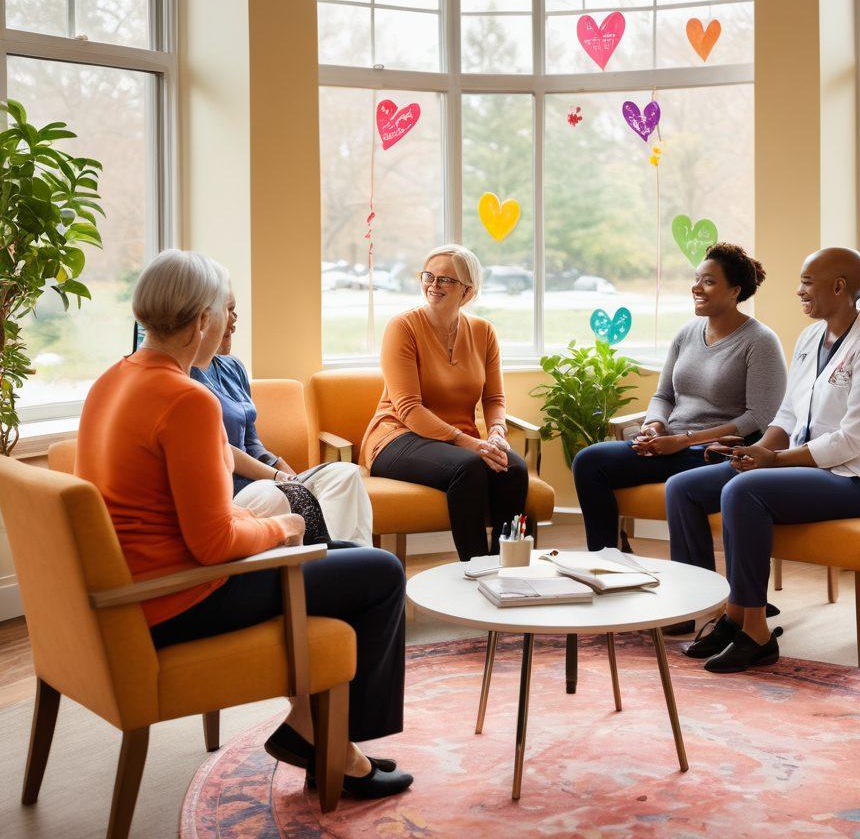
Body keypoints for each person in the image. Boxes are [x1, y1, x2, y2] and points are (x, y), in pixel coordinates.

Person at [75, 249, 411, 798]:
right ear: (202, 320)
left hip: (139, 589)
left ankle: (312, 725)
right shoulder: (187, 400)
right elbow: (213, 544)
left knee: (350, 552)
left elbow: (182, 512)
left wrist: (260, 521)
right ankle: (332, 743)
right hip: (181, 598)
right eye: (223, 313)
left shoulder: (114, 379)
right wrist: (280, 530)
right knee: (381, 575)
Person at [666, 247, 860, 673]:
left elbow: (852, 440)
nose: (799, 291)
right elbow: (790, 414)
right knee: (684, 488)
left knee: (744, 489)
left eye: (807, 283)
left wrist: (775, 461)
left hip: (859, 479)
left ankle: (754, 631)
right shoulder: (811, 338)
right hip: (802, 463)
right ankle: (718, 614)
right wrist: (761, 449)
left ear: (839, 287)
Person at [572, 243, 787, 553]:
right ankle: (609, 561)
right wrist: (655, 426)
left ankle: (698, 589)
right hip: (669, 447)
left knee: (682, 481)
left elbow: (758, 418)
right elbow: (663, 394)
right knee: (590, 461)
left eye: (709, 281)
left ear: (734, 291)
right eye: (697, 278)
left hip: (714, 453)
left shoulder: (760, 341)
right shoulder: (687, 333)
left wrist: (686, 440)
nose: (696, 287)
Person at [362, 244, 527, 561]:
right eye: (429, 276)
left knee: (514, 468)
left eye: (445, 280)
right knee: (468, 468)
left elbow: (494, 398)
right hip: (397, 437)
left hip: (456, 441)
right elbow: (408, 408)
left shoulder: (483, 331)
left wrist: (495, 432)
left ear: (468, 290)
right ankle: (476, 567)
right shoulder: (403, 328)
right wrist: (469, 443)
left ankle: (505, 566)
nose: (433, 285)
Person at [191, 293, 373, 546]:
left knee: (345, 475)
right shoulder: (185, 378)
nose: (234, 320)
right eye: (229, 310)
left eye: (236, 310)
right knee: (282, 494)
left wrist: (279, 465)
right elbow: (222, 448)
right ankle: (328, 558)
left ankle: (351, 558)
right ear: (204, 317)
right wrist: (277, 477)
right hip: (236, 489)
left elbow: (250, 440)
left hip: (263, 478)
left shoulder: (232, 367)